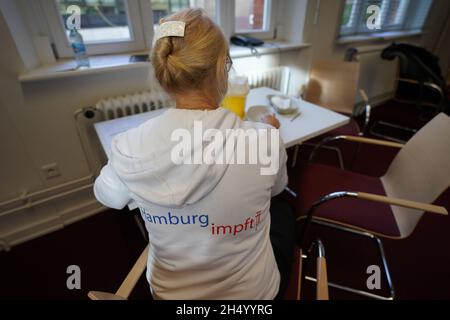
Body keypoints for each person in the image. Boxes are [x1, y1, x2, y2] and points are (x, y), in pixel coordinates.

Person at [94, 8, 295, 300]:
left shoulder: (129, 147)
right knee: (284, 211)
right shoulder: (264, 141)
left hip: (171, 296)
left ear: (163, 74)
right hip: (253, 297)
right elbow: (277, 188)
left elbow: (108, 196)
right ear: (220, 67)